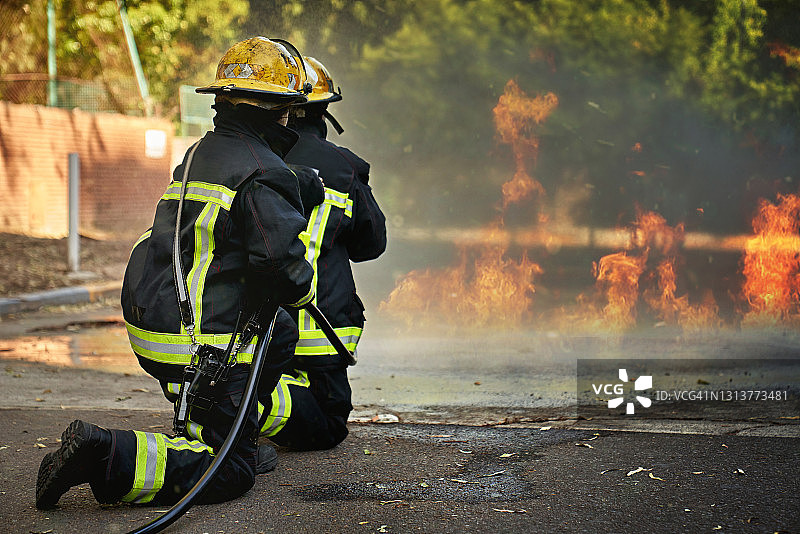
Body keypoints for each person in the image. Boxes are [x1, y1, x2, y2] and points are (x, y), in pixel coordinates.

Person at [35, 36, 321, 509]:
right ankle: (104, 454)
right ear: (281, 110)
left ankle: (230, 428)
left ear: (223, 101)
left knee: (281, 332)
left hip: (156, 322)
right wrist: (306, 288)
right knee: (230, 473)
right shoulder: (265, 170)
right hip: (199, 343)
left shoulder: (197, 155)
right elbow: (281, 267)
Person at [255, 56, 387, 456]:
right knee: (329, 426)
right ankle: (249, 410)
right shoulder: (344, 167)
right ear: (323, 111)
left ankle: (245, 401)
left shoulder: (252, 159)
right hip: (321, 335)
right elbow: (370, 245)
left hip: (256, 331)